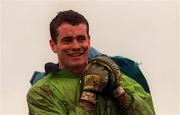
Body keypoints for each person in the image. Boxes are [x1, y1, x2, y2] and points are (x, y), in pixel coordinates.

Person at [27, 10, 155, 115]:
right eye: (67, 40)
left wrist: (118, 91)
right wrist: (90, 93)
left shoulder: (117, 78)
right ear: (53, 45)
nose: (76, 46)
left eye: (81, 39)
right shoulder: (41, 93)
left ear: (89, 41)